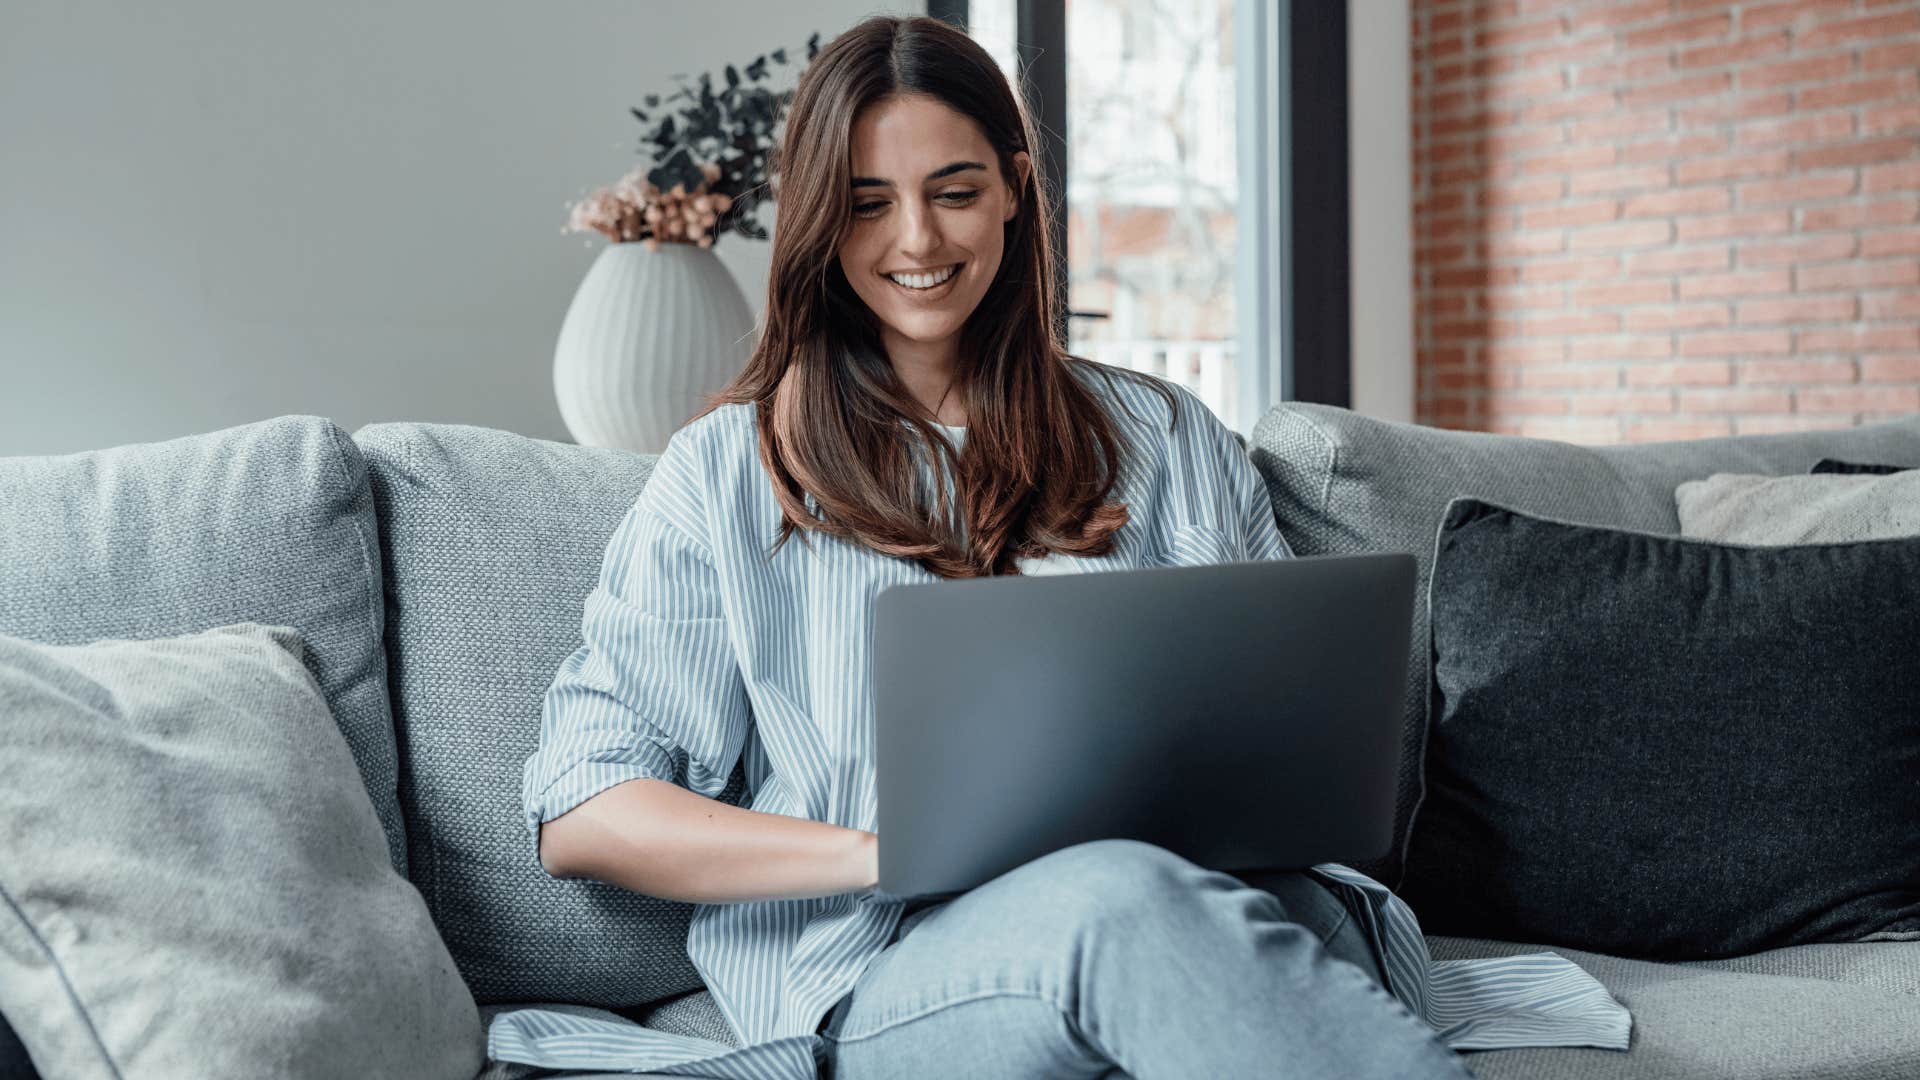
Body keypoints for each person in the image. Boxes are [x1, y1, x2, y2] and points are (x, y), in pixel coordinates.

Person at [486, 14, 1630, 1079]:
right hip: (895, 960)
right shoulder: (728, 474)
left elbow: (1289, 735)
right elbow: (589, 812)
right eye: (869, 202)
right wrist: (888, 850)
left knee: (1222, 904)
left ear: (1017, 195)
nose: (918, 239)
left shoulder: (1164, 434)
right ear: (819, 220)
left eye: (955, 191)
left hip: (1223, 899)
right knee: (1116, 899)